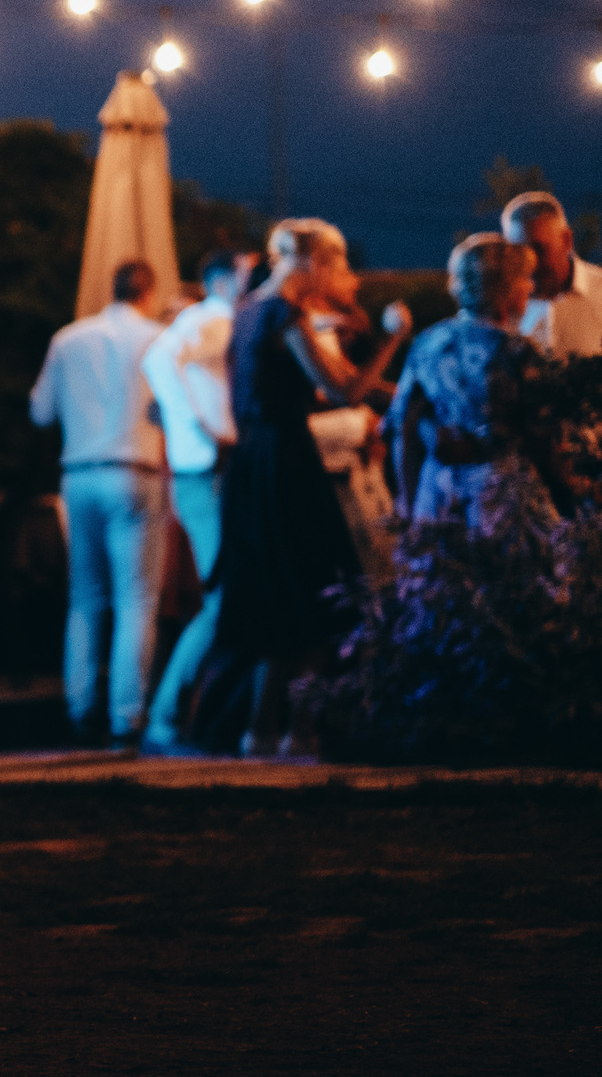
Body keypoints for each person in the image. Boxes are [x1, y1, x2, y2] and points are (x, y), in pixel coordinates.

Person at [191, 219, 409, 756]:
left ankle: (262, 730)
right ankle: (297, 730)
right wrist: (395, 338)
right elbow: (344, 390)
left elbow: (285, 387)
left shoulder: (245, 312)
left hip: (250, 464)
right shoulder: (285, 315)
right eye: (338, 263)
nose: (342, 275)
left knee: (275, 596)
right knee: (320, 589)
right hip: (286, 463)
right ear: (311, 261)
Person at [31, 258, 168, 745]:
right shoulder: (158, 339)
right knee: (136, 598)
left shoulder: (67, 339)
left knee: (85, 596)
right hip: (135, 470)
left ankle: (80, 704)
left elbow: (40, 410)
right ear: (148, 293)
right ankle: (127, 714)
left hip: (79, 474)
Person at [138, 248, 253, 752]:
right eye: (251, 272)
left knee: (231, 594)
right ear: (225, 282)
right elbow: (158, 358)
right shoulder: (215, 319)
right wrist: (200, 432)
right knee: (225, 595)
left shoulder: (226, 320)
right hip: (205, 472)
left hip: (210, 470)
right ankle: (165, 719)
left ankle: (202, 717)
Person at [387, 233, 557, 540]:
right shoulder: (517, 351)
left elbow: (404, 426)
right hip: (502, 496)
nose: (531, 288)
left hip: (439, 493)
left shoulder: (428, 342)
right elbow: (542, 437)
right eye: (524, 279)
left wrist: (408, 502)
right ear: (504, 286)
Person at [500, 190, 602, 359]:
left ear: (567, 240)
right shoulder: (500, 303)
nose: (529, 262)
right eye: (519, 252)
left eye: (539, 249)